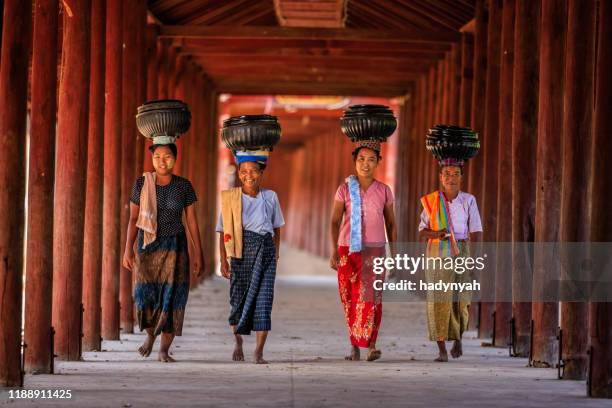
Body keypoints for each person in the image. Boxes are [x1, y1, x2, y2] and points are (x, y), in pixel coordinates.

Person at [122, 143, 204, 362]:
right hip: (147, 246)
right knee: (144, 295)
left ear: (175, 158)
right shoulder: (142, 183)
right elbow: (133, 219)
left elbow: (192, 222)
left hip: (175, 247)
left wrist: (199, 253)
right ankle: (150, 335)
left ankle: (164, 350)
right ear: (152, 159)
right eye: (157, 156)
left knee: (173, 297)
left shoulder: (184, 186)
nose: (162, 161)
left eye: (167, 156)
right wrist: (127, 250)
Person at [330, 140, 397, 362]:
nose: (365, 164)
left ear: (379, 162)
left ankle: (371, 345)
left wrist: (394, 253)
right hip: (347, 250)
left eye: (371, 159)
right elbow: (334, 221)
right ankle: (354, 345)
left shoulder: (384, 191)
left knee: (372, 298)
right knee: (350, 298)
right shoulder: (344, 189)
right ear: (354, 162)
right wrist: (334, 251)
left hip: (375, 251)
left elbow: (391, 224)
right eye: (361, 159)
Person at [217, 151, 285, 364]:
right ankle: (238, 341)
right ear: (239, 174)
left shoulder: (270, 196)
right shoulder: (230, 198)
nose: (249, 175)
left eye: (253, 171)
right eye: (244, 171)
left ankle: (259, 351)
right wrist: (222, 259)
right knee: (238, 300)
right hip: (240, 252)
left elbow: (276, 227)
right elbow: (222, 230)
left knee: (264, 300)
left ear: (261, 173)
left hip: (265, 252)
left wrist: (275, 253)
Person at [418, 159, 483, 362]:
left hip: (462, 249)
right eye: (447, 173)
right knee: (438, 299)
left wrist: (475, 260)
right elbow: (422, 232)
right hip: (438, 251)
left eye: (455, 174)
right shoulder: (432, 202)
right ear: (440, 177)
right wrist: (438, 233)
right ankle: (441, 350)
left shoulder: (468, 200)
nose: (451, 178)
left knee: (462, 298)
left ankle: (458, 338)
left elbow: (476, 231)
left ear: (461, 178)